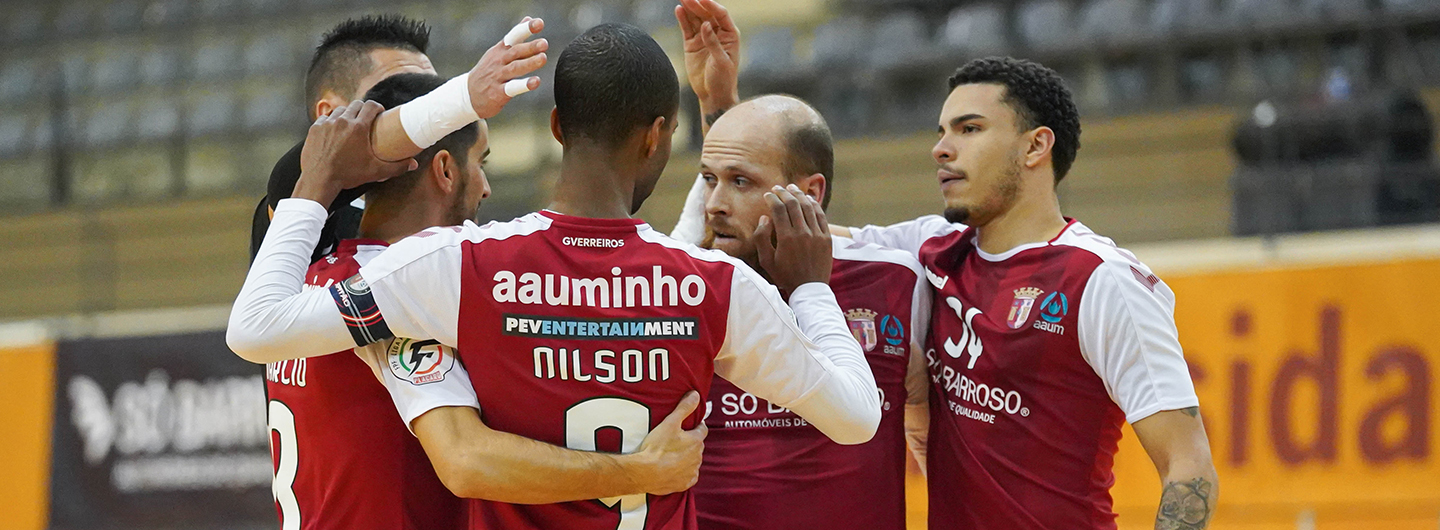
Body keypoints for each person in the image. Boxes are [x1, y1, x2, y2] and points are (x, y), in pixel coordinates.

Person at [227, 22, 882, 530]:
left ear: (557, 126)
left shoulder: (441, 273)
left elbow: (258, 325)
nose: (484, 183)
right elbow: (856, 417)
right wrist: (811, 286)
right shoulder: (712, 284)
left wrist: (719, 119)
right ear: (657, 137)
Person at [264, 69, 708, 530]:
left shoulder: (318, 279)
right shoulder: (395, 304)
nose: (487, 187)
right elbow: (466, 459)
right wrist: (643, 470)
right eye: (483, 162)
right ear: (445, 170)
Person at [830, 57, 1219, 530]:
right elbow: (785, 233)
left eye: (968, 129)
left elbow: (1189, 466)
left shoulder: (1102, 279)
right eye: (940, 132)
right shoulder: (930, 246)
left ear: (1036, 146)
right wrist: (720, 107)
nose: (941, 149)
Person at [248, 14, 548, 264]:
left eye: (431, 92)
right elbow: (296, 178)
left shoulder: (455, 222)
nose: (429, 111)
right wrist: (462, 97)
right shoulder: (303, 200)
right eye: (406, 96)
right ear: (331, 115)